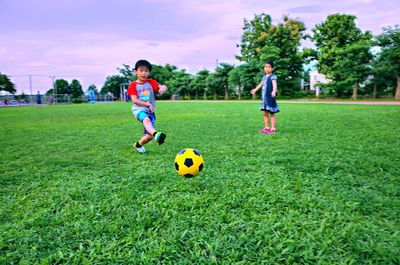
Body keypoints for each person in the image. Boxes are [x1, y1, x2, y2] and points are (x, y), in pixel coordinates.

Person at [128, 59, 168, 154]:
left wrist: (163, 88)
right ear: (135, 71)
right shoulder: (133, 85)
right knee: (146, 120)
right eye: (141, 70)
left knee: (148, 136)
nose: (143, 73)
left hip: (150, 111)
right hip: (138, 110)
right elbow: (134, 100)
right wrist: (148, 104)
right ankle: (156, 134)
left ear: (149, 72)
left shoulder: (151, 82)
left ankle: (138, 145)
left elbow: (161, 87)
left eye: (146, 71)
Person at [251, 61, 280, 134]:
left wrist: (274, 91)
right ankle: (267, 127)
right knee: (265, 113)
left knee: (272, 113)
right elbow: (261, 84)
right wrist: (255, 90)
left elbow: (274, 84)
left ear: (272, 68)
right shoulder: (264, 77)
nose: (266, 68)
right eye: (265, 67)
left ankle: (273, 129)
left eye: (269, 67)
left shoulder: (273, 76)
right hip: (264, 99)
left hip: (270, 97)